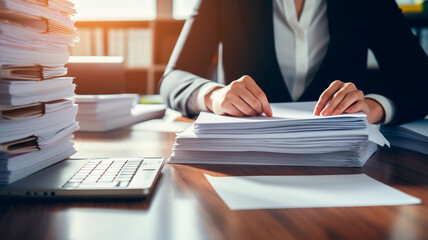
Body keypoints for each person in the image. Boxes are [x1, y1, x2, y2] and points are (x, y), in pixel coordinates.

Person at [160, 0, 428, 124]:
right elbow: (173, 79)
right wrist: (214, 95)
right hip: (247, 164)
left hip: (343, 167)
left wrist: (373, 108)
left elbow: (421, 82)